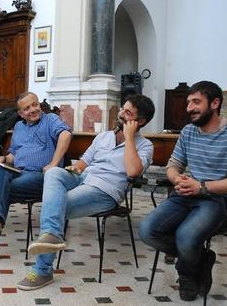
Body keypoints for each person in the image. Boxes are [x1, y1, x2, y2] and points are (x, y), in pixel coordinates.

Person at [16, 94, 156, 290]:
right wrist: (75, 170)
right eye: (123, 108)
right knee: (54, 172)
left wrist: (130, 137)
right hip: (84, 178)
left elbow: (133, 171)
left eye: (128, 112)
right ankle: (52, 234)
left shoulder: (145, 146)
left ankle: (43, 270)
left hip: (105, 190)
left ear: (140, 121)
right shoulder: (103, 137)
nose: (122, 114)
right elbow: (83, 163)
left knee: (56, 205)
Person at [138, 81, 227, 301]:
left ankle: (187, 275)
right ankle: (201, 258)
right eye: (188, 102)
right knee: (147, 230)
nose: (189, 108)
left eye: (196, 102)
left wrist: (202, 186)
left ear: (215, 103)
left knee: (186, 235)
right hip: (185, 196)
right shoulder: (188, 131)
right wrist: (178, 179)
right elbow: (173, 165)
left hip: (218, 201)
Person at [0, 91, 72, 264]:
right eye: (27, 108)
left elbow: (65, 135)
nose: (33, 110)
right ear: (20, 113)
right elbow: (14, 154)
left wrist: (53, 163)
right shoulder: (19, 127)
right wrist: (4, 159)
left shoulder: (50, 119)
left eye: (35, 105)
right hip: (19, 172)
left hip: (41, 176)